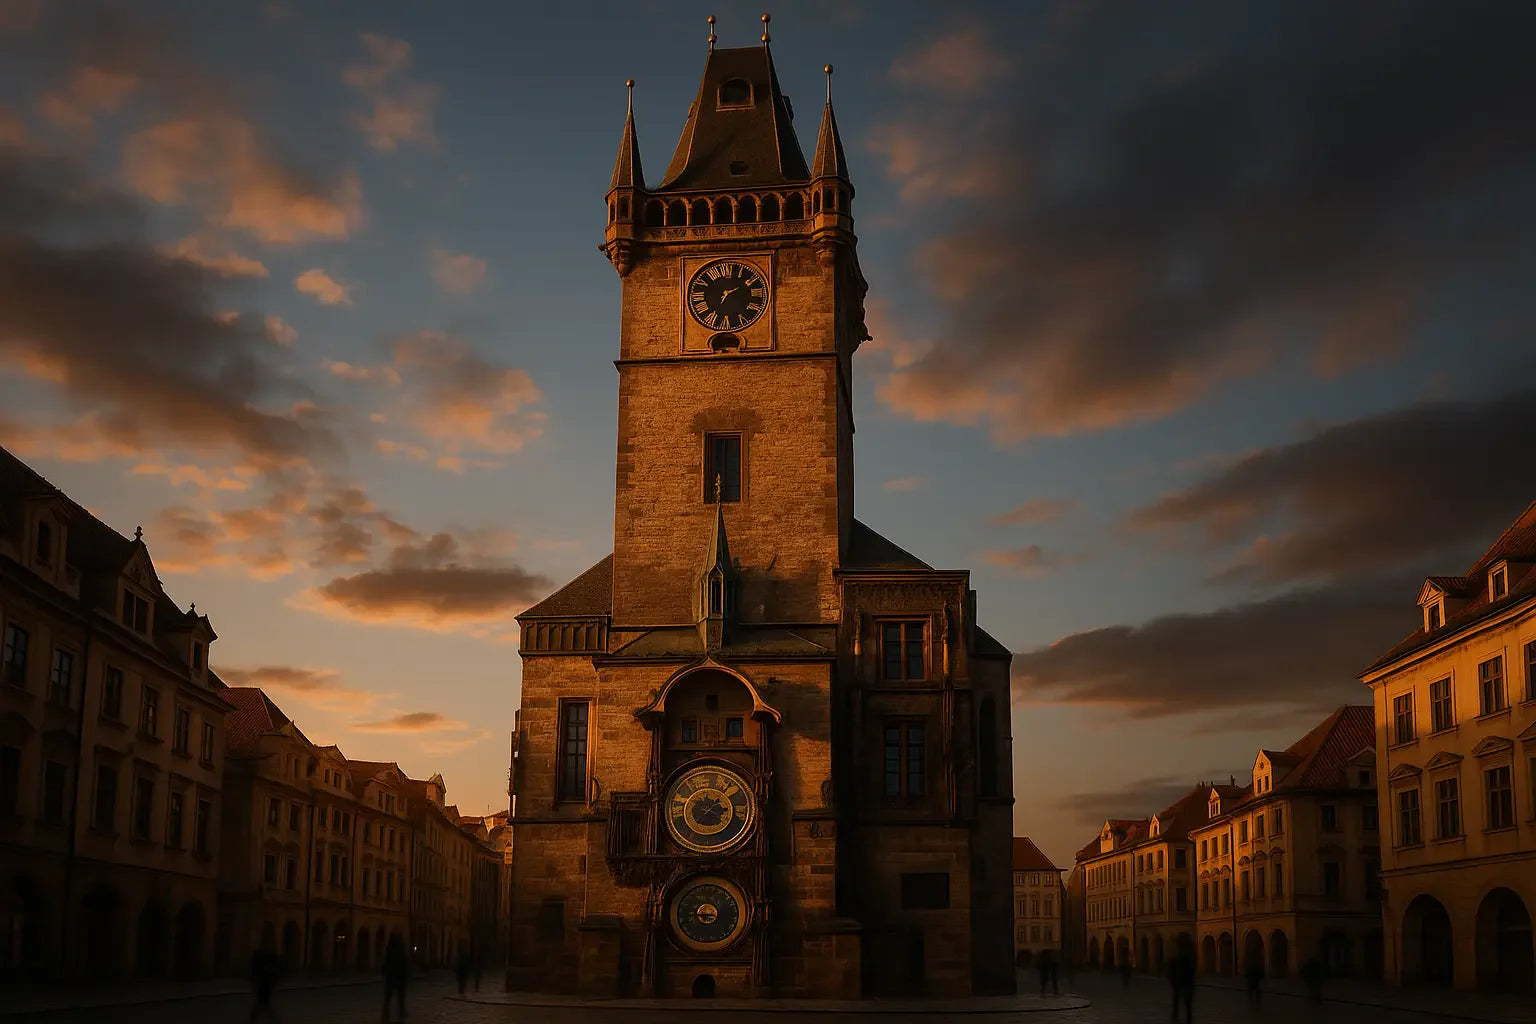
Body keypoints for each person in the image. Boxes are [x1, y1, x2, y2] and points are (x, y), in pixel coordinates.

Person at [248, 946, 281, 1024]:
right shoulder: (266, 959)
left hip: (264, 984)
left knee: (262, 1004)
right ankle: (272, 1019)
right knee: (263, 1004)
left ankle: (255, 1019)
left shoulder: (262, 959)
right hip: (264, 984)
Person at [382, 934, 410, 1022]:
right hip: (399, 978)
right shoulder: (401, 951)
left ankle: (385, 1014)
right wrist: (407, 975)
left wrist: (384, 972)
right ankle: (401, 1014)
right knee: (400, 997)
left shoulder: (390, 950)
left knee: (388, 998)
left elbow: (385, 964)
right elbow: (405, 965)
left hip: (391, 977)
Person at [1168, 941, 1196, 1024]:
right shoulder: (1184, 958)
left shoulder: (1179, 958)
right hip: (1183, 983)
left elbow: (1172, 971)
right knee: (1185, 1003)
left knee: (1180, 1001)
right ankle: (1186, 1018)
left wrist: (1173, 981)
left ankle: (1177, 1015)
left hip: (1182, 983)